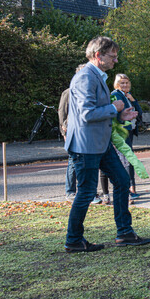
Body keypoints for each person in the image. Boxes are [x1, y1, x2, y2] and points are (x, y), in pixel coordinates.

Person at [64, 36, 150, 253]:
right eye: (112, 56)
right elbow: (86, 114)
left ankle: (124, 233)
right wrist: (115, 108)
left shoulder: (96, 76)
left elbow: (97, 112)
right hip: (86, 145)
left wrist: (121, 114)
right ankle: (74, 239)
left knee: (122, 181)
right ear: (98, 55)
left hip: (100, 143)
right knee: (85, 192)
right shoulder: (86, 77)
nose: (116, 60)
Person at [99, 74, 144, 202]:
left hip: (128, 131)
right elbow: (117, 114)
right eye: (122, 83)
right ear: (116, 83)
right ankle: (112, 192)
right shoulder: (116, 95)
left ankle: (131, 188)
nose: (124, 85)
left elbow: (139, 113)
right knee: (120, 160)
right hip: (119, 132)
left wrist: (133, 100)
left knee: (128, 159)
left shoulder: (127, 95)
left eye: (126, 83)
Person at [58, 64, 86, 202]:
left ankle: (84, 190)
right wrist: (63, 130)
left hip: (85, 132)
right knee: (73, 162)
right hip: (71, 131)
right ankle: (70, 191)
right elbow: (62, 112)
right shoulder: (68, 92)